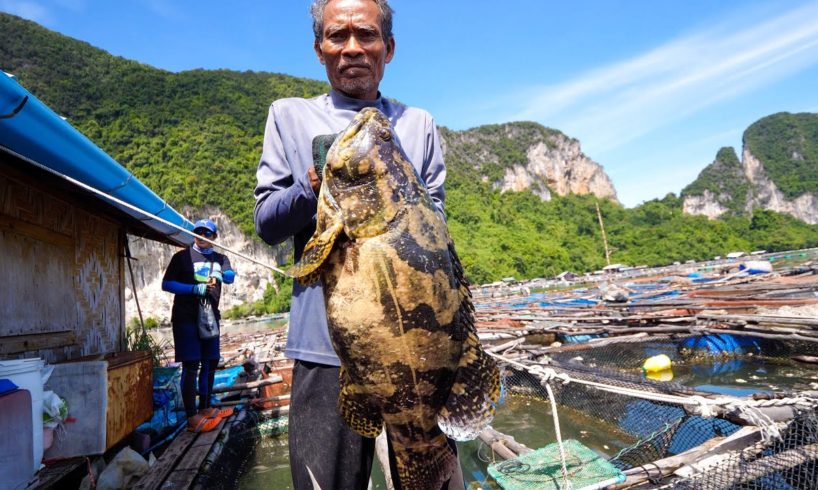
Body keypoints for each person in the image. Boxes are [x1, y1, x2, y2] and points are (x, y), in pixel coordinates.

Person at [254, 0, 461, 488]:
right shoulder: (288, 116)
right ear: (319, 49)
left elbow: (438, 231)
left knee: (433, 472)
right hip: (324, 351)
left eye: (365, 35)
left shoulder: (419, 123)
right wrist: (313, 185)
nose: (352, 48)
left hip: (422, 352)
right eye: (337, 35)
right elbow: (266, 222)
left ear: (387, 48)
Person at [162, 218, 236, 432]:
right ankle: (191, 416)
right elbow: (167, 284)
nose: (202, 235)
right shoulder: (181, 257)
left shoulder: (220, 258)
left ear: (214, 237)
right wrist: (193, 289)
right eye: (198, 231)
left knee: (210, 363)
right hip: (186, 318)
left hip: (210, 317)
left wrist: (223, 274)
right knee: (192, 365)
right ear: (194, 234)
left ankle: (205, 407)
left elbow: (230, 276)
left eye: (207, 233)